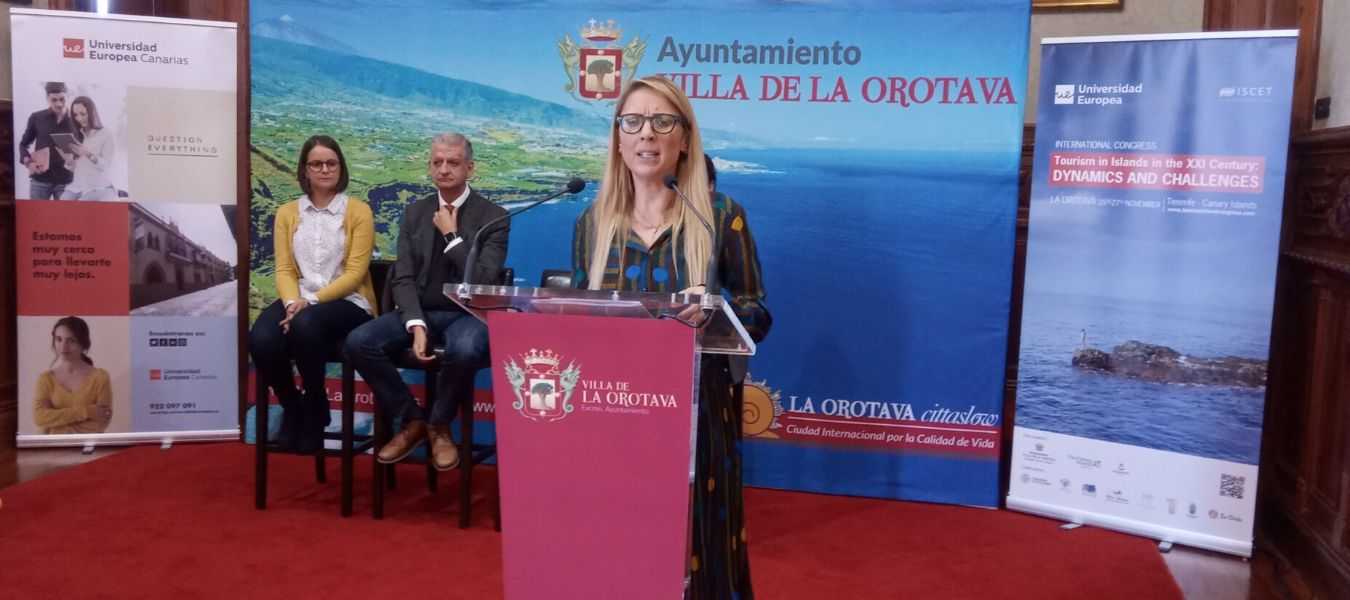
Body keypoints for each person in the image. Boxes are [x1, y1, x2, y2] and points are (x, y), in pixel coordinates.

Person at [570, 75, 771, 600]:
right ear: (618, 139)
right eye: (633, 121)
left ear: (684, 139)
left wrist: (715, 313)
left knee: (699, 543)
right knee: (620, 539)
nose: (647, 134)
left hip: (699, 411)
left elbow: (756, 311)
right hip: (614, 410)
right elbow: (578, 318)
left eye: (663, 121)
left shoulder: (720, 216)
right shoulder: (592, 224)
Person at [344, 133, 509, 471]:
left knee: (465, 348)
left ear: (470, 168)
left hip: (467, 313)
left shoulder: (494, 217)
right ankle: (412, 420)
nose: (444, 169)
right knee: (359, 341)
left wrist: (451, 236)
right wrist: (416, 324)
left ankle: (439, 423)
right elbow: (402, 277)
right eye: (437, 162)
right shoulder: (415, 213)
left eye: (453, 162)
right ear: (430, 166)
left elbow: (483, 279)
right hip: (422, 310)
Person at [248, 135, 377, 453]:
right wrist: (294, 302)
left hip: (347, 302)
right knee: (261, 339)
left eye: (331, 163)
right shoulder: (287, 213)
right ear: (305, 170)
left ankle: (316, 402)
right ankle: (294, 407)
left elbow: (355, 274)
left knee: (305, 324)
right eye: (316, 164)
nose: (324, 169)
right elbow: (284, 270)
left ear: (340, 167)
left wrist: (310, 302)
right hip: (300, 298)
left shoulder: (358, 211)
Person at [33, 316, 112, 434]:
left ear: (83, 343)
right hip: (51, 446)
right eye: (59, 339)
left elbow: (101, 421)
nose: (63, 346)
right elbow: (40, 418)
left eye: (71, 341)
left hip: (89, 445)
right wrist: (87, 412)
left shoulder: (100, 377)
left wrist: (57, 426)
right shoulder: (45, 379)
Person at [18, 82, 76, 200]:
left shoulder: (77, 119)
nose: (59, 104)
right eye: (54, 100)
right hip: (40, 180)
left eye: (62, 99)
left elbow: (85, 148)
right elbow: (23, 145)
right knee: (36, 212)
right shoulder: (36, 117)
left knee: (66, 213)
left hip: (66, 182)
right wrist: (29, 163)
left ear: (68, 96)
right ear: (47, 99)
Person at [60, 96, 118, 201]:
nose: (79, 118)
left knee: (82, 204)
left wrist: (88, 154)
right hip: (77, 186)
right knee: (62, 202)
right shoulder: (76, 135)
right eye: (75, 115)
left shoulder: (106, 134)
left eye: (83, 114)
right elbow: (79, 168)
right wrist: (69, 161)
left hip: (97, 186)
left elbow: (105, 166)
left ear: (92, 113)